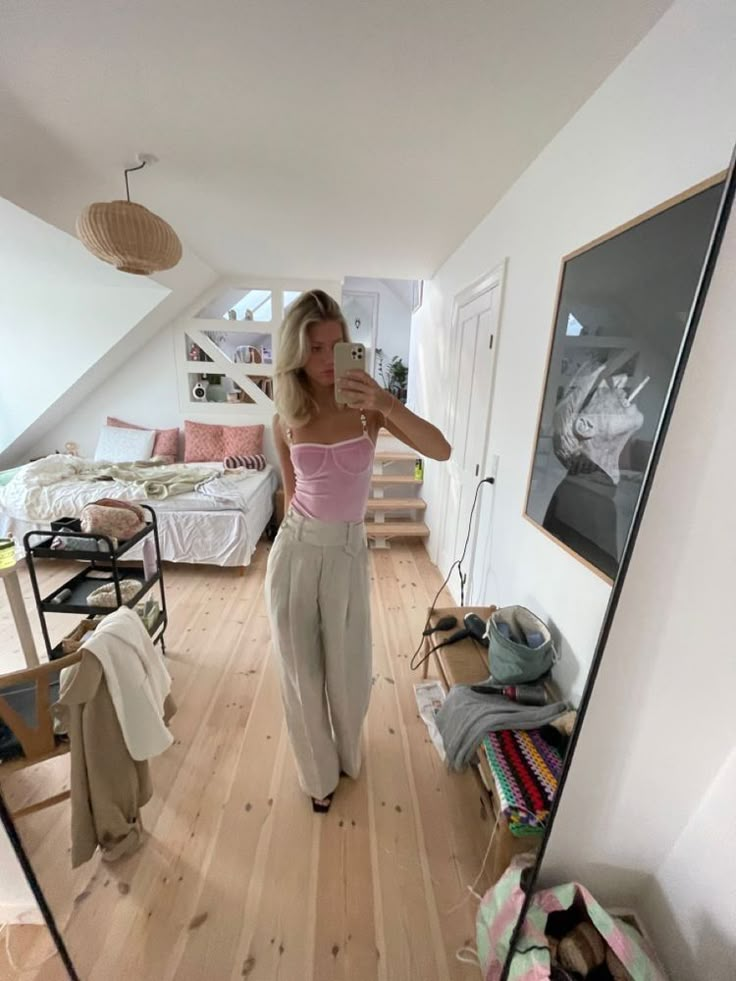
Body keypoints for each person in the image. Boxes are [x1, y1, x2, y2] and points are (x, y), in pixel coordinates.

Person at [266, 289, 451, 812]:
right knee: (301, 674)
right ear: (296, 351)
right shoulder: (284, 415)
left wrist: (386, 402)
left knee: (348, 670)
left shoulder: (367, 409)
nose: (327, 360)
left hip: (348, 553)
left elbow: (441, 449)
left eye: (336, 345)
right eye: (315, 348)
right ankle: (317, 776)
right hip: (296, 552)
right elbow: (290, 492)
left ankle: (347, 755)